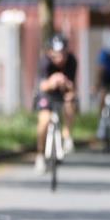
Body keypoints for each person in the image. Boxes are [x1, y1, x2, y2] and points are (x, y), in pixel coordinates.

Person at [33, 33, 77, 174]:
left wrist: (66, 83)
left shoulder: (72, 61)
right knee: (44, 121)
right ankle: (40, 155)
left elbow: (72, 87)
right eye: (56, 55)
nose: (60, 59)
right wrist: (53, 81)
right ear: (50, 53)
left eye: (62, 55)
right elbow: (41, 86)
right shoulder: (44, 62)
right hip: (47, 93)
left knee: (70, 104)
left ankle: (67, 137)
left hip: (63, 93)